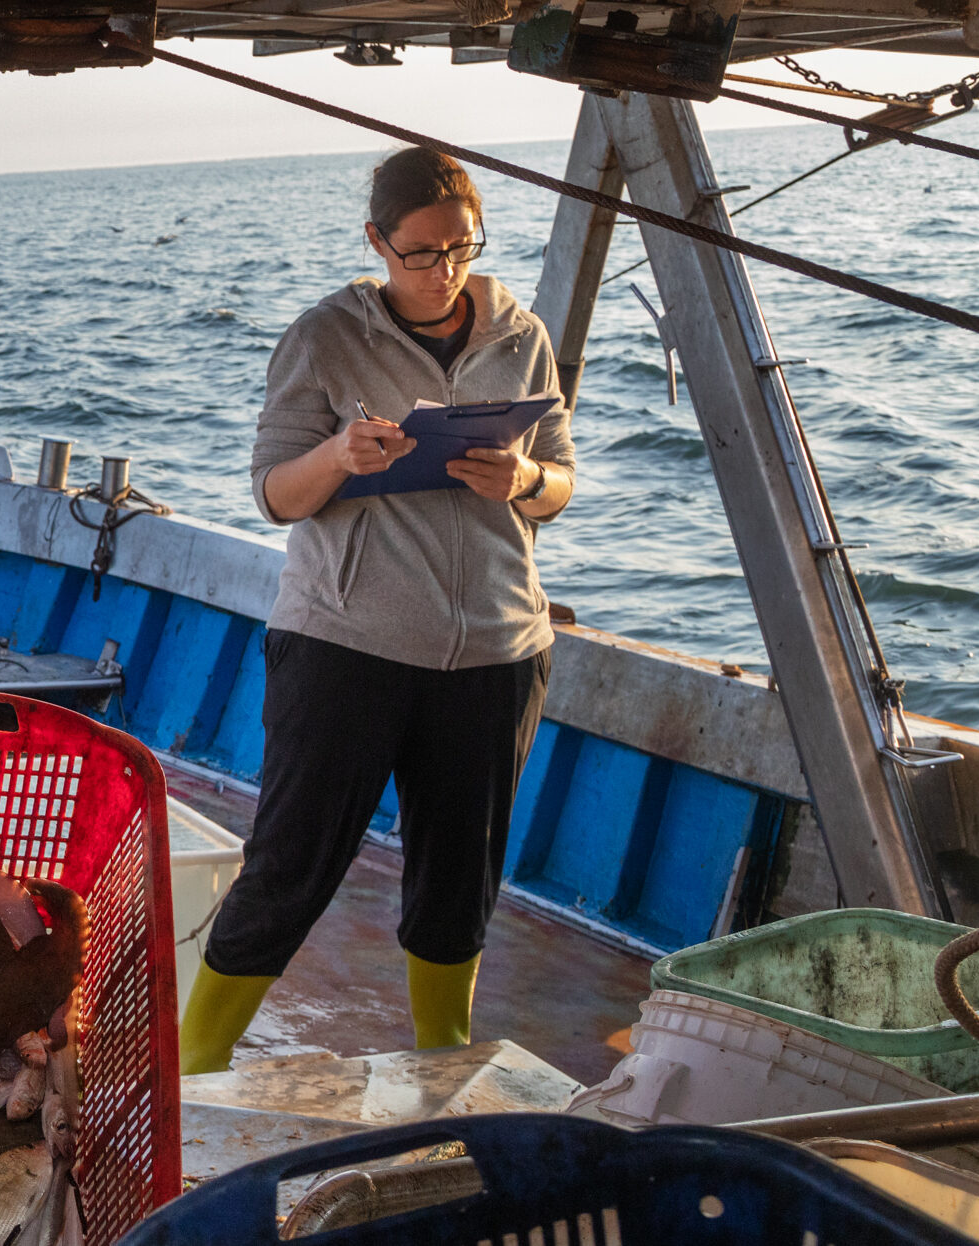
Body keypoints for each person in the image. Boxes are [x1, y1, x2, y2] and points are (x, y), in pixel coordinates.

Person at [178, 147, 576, 1074]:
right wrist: (338, 461)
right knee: (290, 866)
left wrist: (523, 478)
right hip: (344, 642)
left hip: (496, 649)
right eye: (422, 253)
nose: (445, 271)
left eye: (461, 248)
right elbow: (274, 492)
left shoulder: (522, 334)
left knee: (459, 882)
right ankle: (197, 1061)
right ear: (376, 243)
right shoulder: (322, 337)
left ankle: (441, 1057)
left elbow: (560, 480)